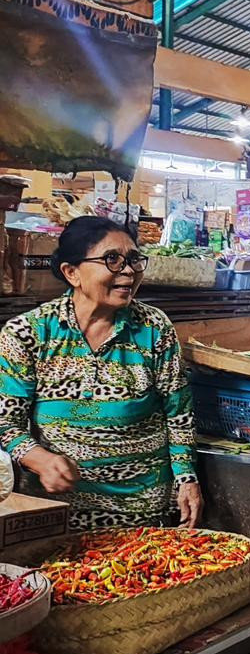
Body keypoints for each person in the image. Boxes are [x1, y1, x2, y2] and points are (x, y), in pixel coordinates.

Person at [0, 216, 202, 531]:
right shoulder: (28, 333)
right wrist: (40, 459)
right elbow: (6, 423)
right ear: (72, 273)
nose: (129, 271)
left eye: (134, 259)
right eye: (112, 260)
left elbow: (179, 413)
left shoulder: (153, 328)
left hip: (141, 513)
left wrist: (187, 478)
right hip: (55, 515)